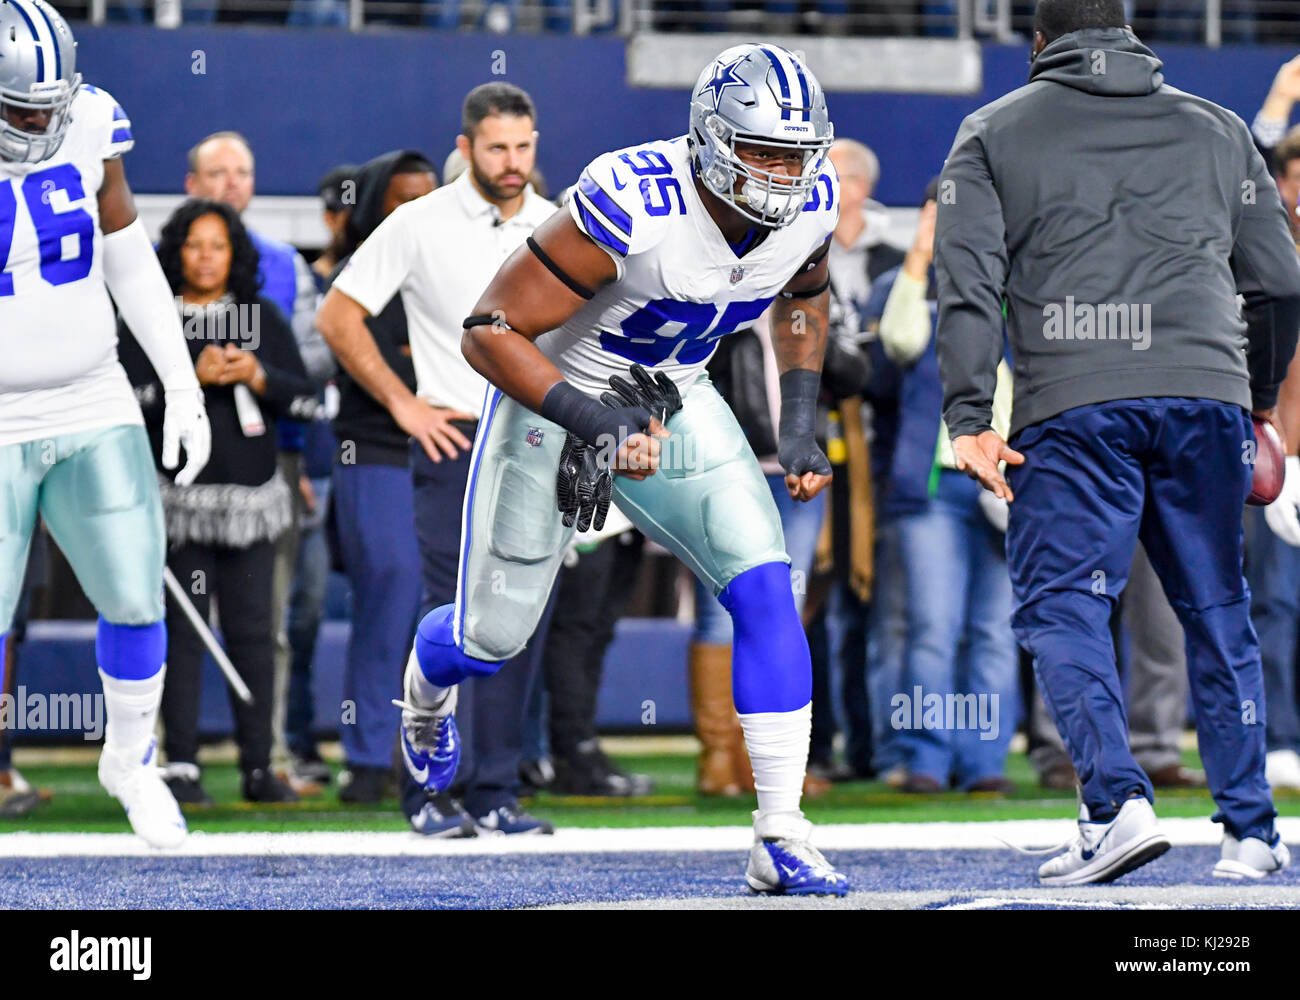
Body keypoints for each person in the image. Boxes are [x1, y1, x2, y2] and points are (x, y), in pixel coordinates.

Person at [392, 44, 850, 895]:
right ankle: (423, 698)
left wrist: (795, 423)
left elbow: (805, 296)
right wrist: (592, 422)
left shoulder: (810, 205)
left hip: (674, 394)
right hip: (555, 394)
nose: (786, 174)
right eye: (763, 152)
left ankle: (780, 831)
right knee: (491, 641)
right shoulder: (635, 199)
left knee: (764, 586)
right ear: (712, 140)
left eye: (797, 154)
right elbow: (489, 329)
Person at [936, 0, 1300, 884]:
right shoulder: (1218, 129)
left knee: (1064, 601)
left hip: (1073, 398)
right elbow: (1281, 282)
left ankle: (1114, 803)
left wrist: (969, 415)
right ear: (1131, 36)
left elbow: (969, 285)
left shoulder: (991, 131)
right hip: (1206, 393)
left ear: (1037, 41)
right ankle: (1252, 832)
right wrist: (1253, 403)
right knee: (1217, 609)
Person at [317, 84, 558, 836]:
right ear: (465, 147)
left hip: (536, 442)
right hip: (453, 438)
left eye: (523, 147)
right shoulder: (418, 222)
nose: (512, 163)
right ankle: (426, 792)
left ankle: (495, 791)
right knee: (450, 619)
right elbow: (336, 313)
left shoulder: (561, 225)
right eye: (496, 148)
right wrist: (404, 405)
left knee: (519, 620)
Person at [0, 0, 211, 847]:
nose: (44, 123)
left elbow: (124, 250)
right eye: (24, 110)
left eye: (55, 104)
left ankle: (129, 760)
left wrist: (181, 383)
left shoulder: (90, 118)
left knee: (134, 585)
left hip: (92, 392)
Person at [118, 199, 317, 804]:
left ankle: (259, 765)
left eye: (219, 245)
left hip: (254, 504)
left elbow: (311, 402)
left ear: (236, 254)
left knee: (256, 632)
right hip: (176, 503)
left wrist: (257, 376)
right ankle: (183, 764)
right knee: (183, 631)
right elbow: (124, 402)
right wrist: (185, 383)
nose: (206, 257)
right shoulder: (150, 318)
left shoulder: (259, 316)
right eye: (194, 245)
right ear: (176, 251)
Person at [869, 179, 1019, 794]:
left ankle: (984, 763)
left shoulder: (1017, 289)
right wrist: (921, 253)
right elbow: (898, 341)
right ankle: (926, 759)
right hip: (933, 488)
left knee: (994, 629)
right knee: (933, 626)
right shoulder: (908, 288)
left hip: (1005, 485)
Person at [318, 149, 444, 810]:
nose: (420, 209)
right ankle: (366, 756)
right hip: (375, 452)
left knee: (445, 606)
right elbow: (355, 347)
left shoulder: (452, 264)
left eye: (429, 195)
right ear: (373, 210)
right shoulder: (360, 273)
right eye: (402, 199)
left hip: (449, 448)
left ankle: (432, 750)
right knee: (389, 595)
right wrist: (403, 382)